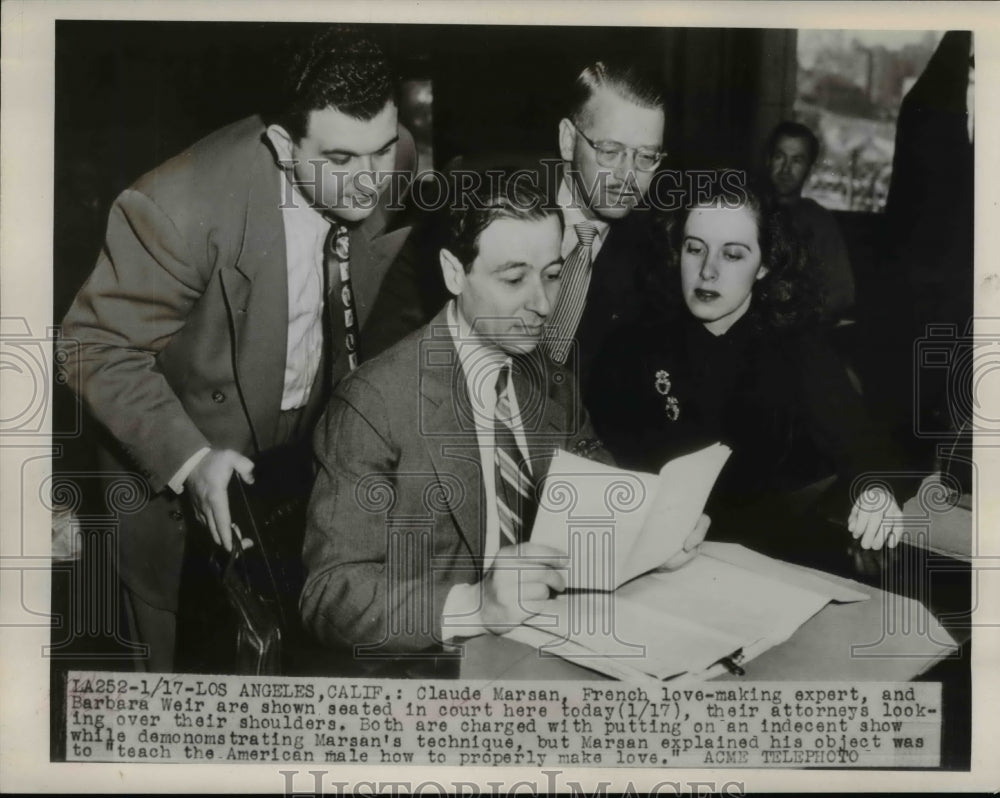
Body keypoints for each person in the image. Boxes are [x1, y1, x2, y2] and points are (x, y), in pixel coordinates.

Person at [57, 25, 417, 672]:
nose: (369, 184)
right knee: (186, 687)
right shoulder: (175, 206)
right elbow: (92, 344)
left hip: (303, 469)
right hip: (186, 473)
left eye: (382, 151)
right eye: (339, 161)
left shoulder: (391, 154)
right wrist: (192, 463)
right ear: (283, 145)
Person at [300, 176, 708, 665]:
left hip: (539, 646)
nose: (542, 304)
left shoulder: (545, 374)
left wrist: (650, 537)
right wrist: (476, 605)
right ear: (454, 273)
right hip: (431, 670)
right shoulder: (373, 405)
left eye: (553, 275)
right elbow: (328, 595)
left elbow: (596, 486)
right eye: (514, 279)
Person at [588, 180, 905, 557]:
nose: (708, 271)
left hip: (764, 563)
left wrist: (876, 490)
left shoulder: (797, 349)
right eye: (695, 249)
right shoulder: (630, 347)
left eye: (733, 255)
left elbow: (869, 449)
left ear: (765, 264)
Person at [542, 59, 668, 385]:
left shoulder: (657, 259)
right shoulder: (485, 204)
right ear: (568, 140)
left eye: (647, 157)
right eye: (610, 151)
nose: (628, 176)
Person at [764, 121, 855, 321]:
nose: (786, 169)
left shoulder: (820, 221)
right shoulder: (748, 212)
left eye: (797, 160)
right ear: (768, 160)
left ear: (809, 169)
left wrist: (800, 316)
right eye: (780, 157)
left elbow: (843, 292)